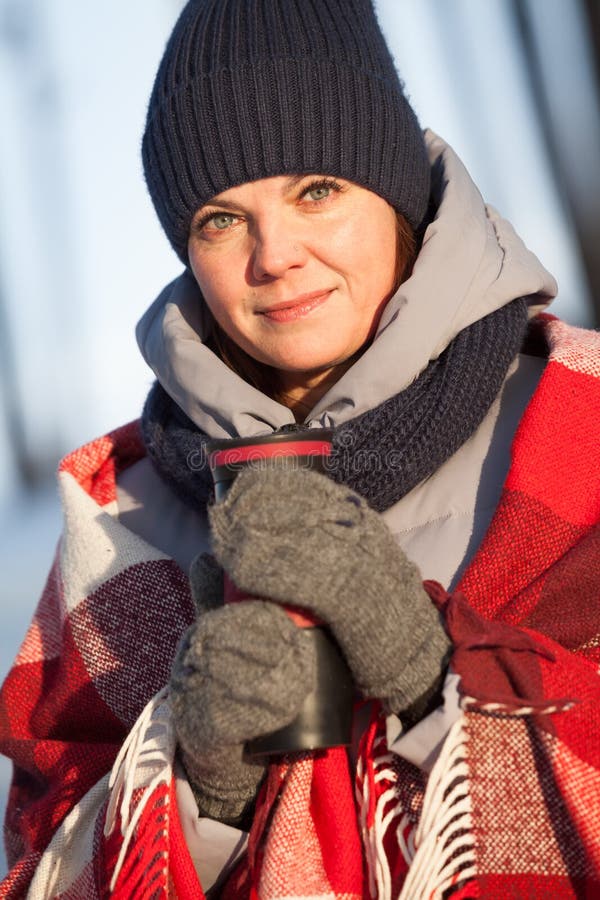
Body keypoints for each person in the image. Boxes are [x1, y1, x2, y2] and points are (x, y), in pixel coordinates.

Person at [1, 0, 600, 897]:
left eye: (316, 189)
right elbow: (40, 868)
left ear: (393, 192)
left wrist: (430, 674)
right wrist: (201, 793)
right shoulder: (121, 514)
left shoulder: (579, 421)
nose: (275, 254)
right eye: (219, 218)